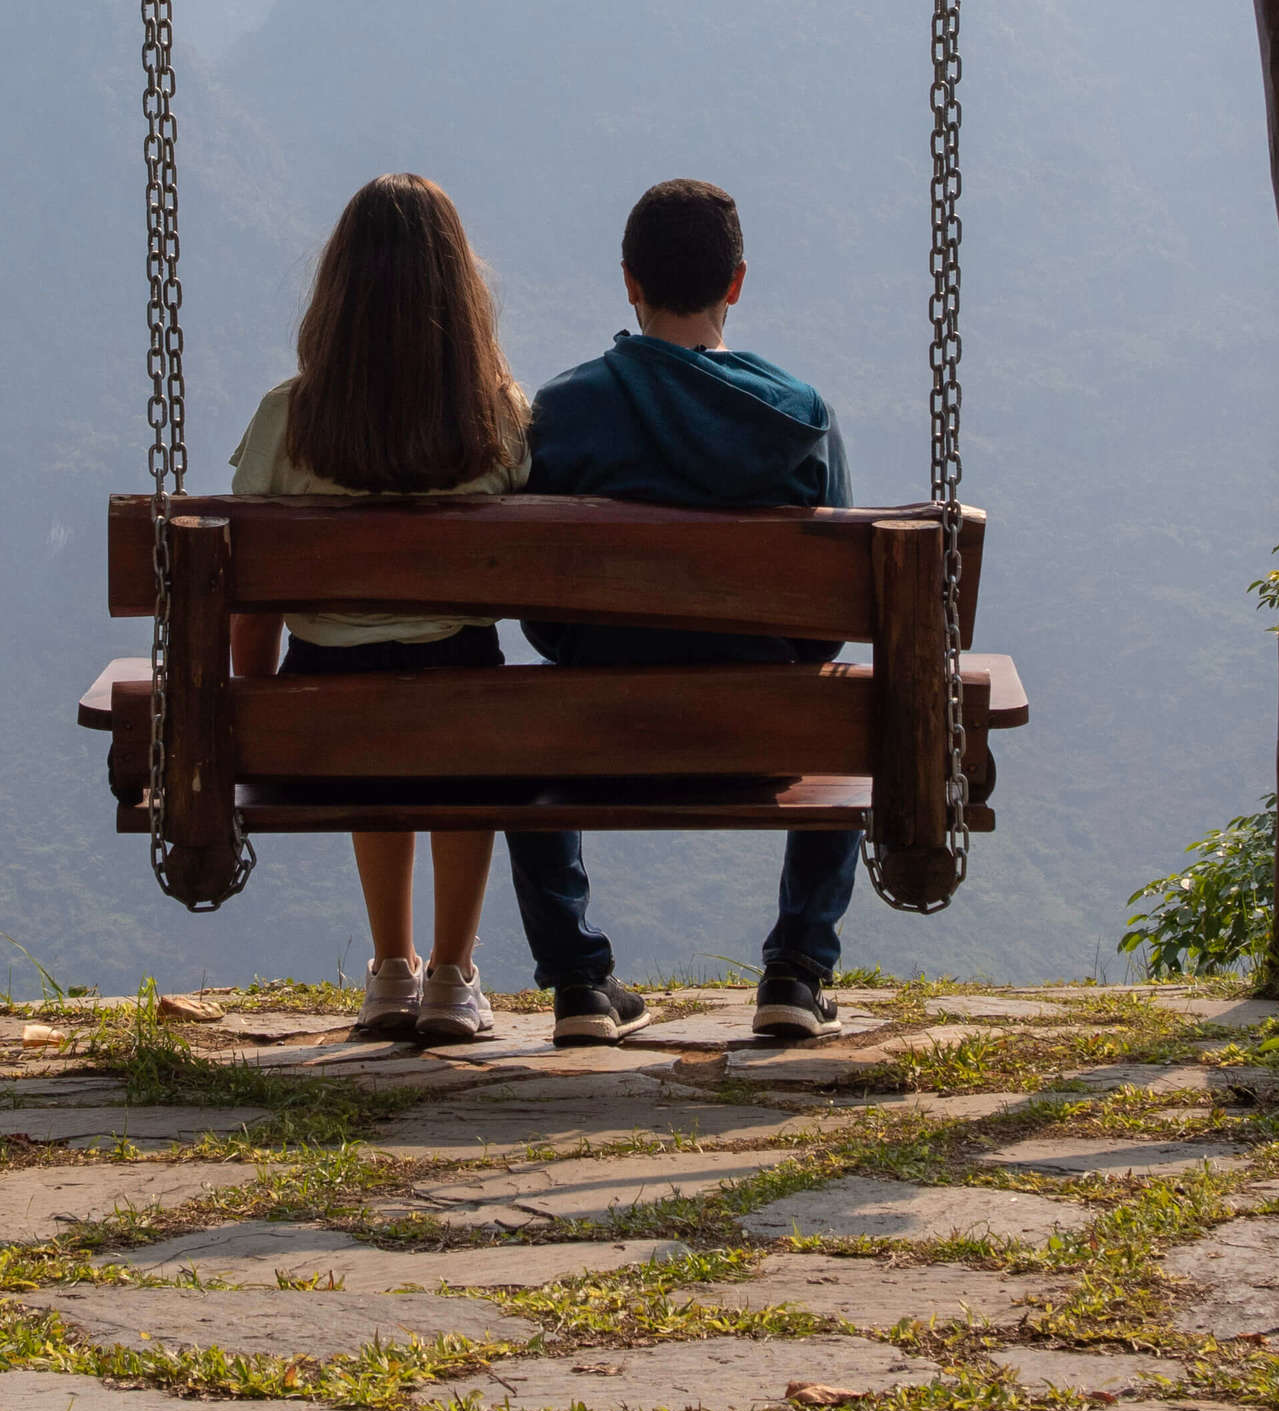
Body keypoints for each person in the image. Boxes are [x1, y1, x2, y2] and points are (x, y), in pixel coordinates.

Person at [506, 177, 861, 1047]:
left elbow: (532, 611)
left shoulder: (562, 412)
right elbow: (832, 621)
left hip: (593, 734)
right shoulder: (802, 418)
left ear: (629, 280)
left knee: (507, 721)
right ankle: (796, 972)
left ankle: (582, 986)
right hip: (762, 734)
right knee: (851, 707)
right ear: (736, 282)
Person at [225, 172, 531, 1046]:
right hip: (464, 697)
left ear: (338, 290)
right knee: (453, 720)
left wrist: (260, 699)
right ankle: (453, 974)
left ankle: (391, 968)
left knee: (367, 707)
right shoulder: (500, 418)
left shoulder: (287, 419)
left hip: (325, 719)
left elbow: (250, 602)